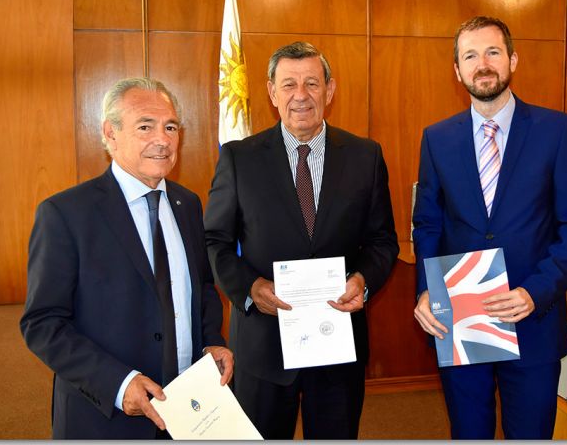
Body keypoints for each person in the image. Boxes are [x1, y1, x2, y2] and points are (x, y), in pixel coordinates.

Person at [412, 16, 567, 439]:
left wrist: (535, 292)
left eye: (493, 52)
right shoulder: (437, 139)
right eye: (470, 55)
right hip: (460, 322)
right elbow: (427, 224)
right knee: (469, 433)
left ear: (512, 59)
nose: (483, 64)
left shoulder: (557, 131)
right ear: (457, 70)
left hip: (533, 321)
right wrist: (426, 289)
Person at [204, 41, 398, 439]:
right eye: (288, 84)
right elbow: (215, 241)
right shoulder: (239, 159)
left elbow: (382, 242)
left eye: (312, 82)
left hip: (338, 342)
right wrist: (250, 288)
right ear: (272, 93)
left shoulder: (365, 156)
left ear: (330, 90)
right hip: (263, 345)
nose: (301, 95)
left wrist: (363, 280)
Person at [20, 77, 233, 439]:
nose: (162, 140)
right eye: (145, 126)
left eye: (170, 127)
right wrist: (119, 384)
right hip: (106, 416)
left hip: (188, 410)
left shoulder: (187, 204)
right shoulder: (65, 213)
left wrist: (211, 339)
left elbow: (203, 287)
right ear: (110, 133)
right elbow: (43, 324)